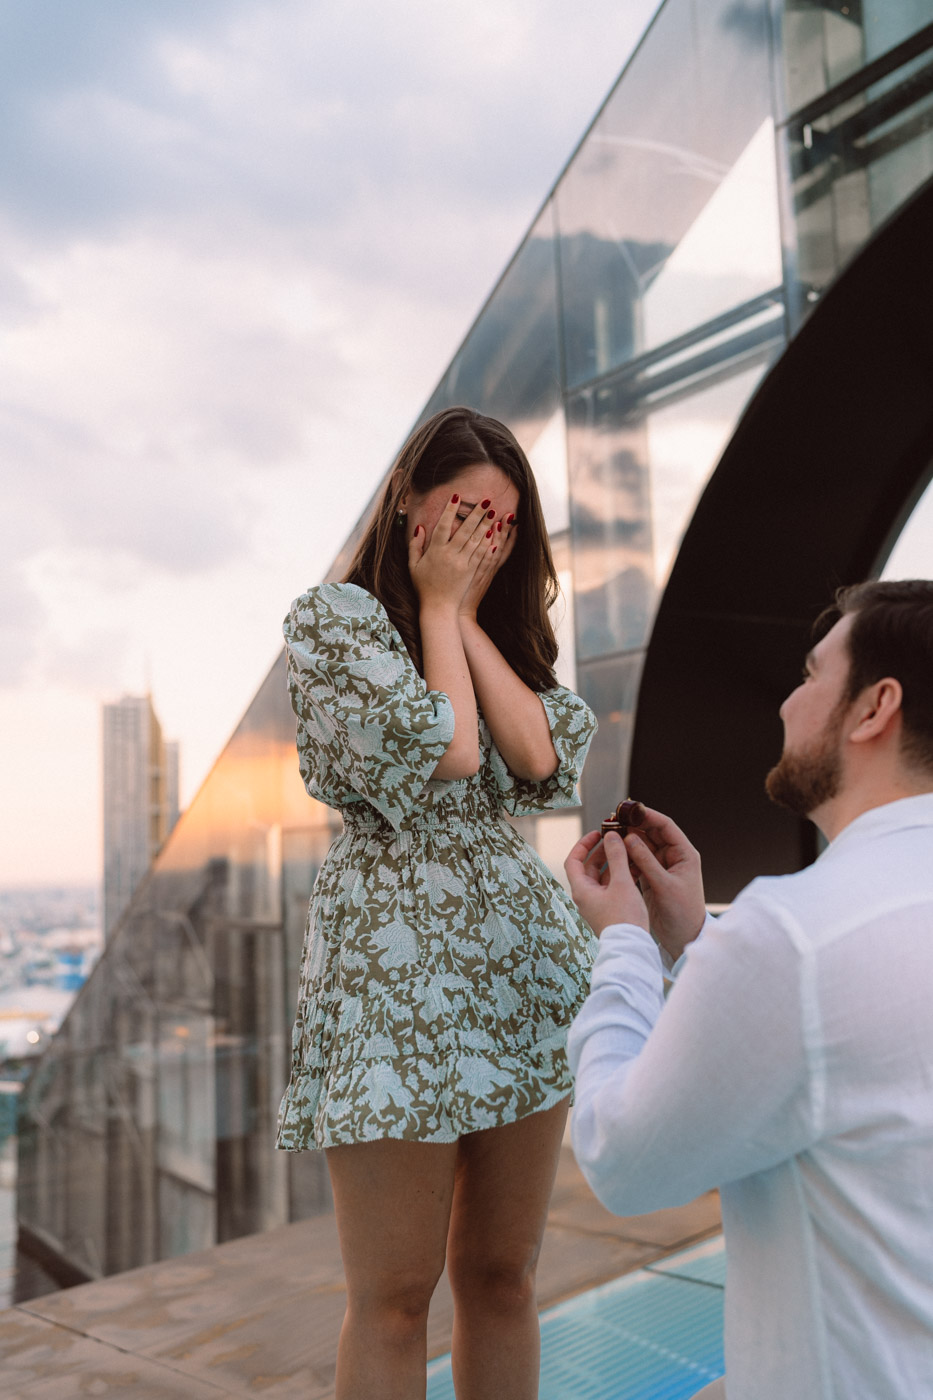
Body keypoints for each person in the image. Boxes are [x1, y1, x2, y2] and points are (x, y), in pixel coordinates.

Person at [276, 406, 597, 1398]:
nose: (479, 540)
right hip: (392, 972)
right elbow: (450, 750)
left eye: (501, 524)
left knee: (503, 1276)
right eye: (462, 512)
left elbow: (537, 758)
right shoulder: (336, 621)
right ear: (406, 500)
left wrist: (454, 614)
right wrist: (437, 603)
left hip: (515, 963)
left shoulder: (485, 628)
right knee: (393, 1295)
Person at [564, 579, 933, 1400]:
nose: (786, 704)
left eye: (810, 675)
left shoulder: (794, 932)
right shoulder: (813, 936)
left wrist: (624, 944)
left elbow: (622, 1160)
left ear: (874, 708)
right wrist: (698, 942)